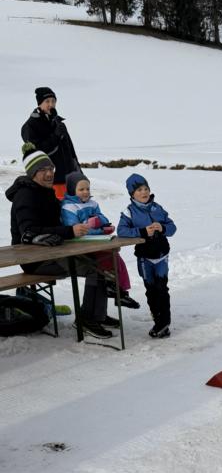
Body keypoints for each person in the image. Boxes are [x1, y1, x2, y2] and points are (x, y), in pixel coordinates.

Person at [6, 145, 115, 339]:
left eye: (51, 168)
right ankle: (86, 320)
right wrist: (69, 231)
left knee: (102, 260)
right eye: (43, 170)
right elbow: (28, 232)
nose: (49, 174)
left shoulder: (46, 191)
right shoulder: (25, 195)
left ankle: (97, 315)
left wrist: (86, 220)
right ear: (32, 173)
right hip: (34, 259)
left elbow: (61, 221)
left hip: (55, 251)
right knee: (94, 268)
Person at [61, 171, 141, 310]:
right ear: (72, 190)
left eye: (87, 189)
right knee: (107, 257)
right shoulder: (68, 207)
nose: (86, 192)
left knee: (116, 258)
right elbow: (76, 230)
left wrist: (101, 224)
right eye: (81, 189)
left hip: (95, 240)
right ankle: (114, 289)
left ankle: (121, 292)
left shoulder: (92, 203)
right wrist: (97, 228)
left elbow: (103, 218)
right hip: (79, 245)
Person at [117, 173, 177, 338]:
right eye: (139, 190)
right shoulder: (129, 212)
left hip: (161, 256)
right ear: (132, 194)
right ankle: (159, 321)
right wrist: (142, 231)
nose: (144, 192)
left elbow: (172, 227)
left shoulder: (157, 208)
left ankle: (164, 322)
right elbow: (122, 231)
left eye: (146, 188)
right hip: (144, 258)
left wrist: (162, 228)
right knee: (151, 290)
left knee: (162, 288)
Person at [21, 87, 79, 200]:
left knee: (72, 209)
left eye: (53, 101)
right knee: (54, 209)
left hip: (69, 179)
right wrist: (55, 136)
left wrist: (77, 172)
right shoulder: (30, 126)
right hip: (50, 180)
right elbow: (37, 153)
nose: (51, 104)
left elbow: (70, 151)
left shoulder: (59, 123)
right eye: (47, 101)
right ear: (39, 104)